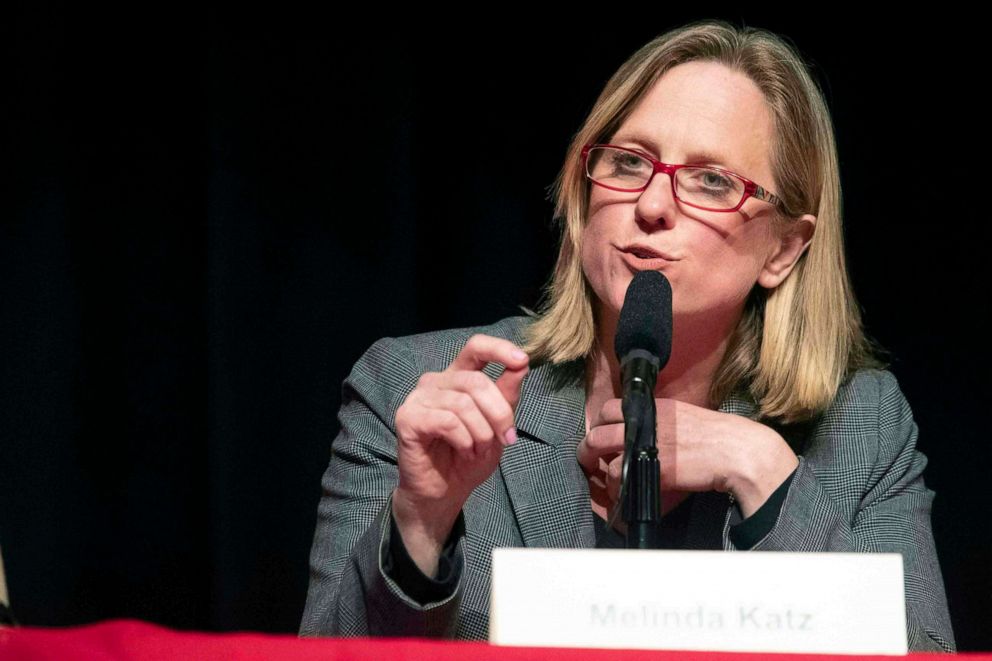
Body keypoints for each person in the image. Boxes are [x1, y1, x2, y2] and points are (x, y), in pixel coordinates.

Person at [299, 20, 955, 651]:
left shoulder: (862, 426)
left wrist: (763, 472)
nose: (651, 205)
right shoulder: (421, 386)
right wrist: (420, 521)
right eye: (629, 161)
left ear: (784, 247)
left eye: (711, 180)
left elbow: (923, 654)